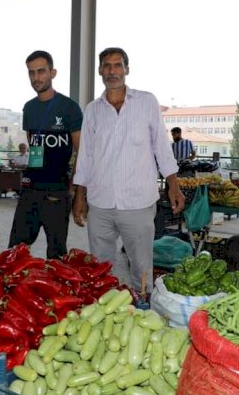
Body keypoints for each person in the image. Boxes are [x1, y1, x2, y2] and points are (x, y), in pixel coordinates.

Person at [73, 47, 185, 293]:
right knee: (100, 267)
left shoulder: (146, 102)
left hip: (138, 201)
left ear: (126, 69)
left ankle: (143, 309)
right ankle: (106, 313)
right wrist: (80, 196)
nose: (112, 71)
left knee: (141, 265)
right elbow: (86, 156)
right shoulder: (93, 110)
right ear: (100, 71)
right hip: (100, 202)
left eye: (117, 65)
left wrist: (173, 184)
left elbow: (161, 146)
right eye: (107, 66)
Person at [8, 50, 83, 259]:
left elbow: (81, 152)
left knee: (56, 255)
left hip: (57, 191)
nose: (36, 78)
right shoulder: (29, 108)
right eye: (31, 73)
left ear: (53, 72)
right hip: (30, 188)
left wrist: (73, 188)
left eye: (41, 71)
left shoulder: (69, 108)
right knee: (15, 250)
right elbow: (35, 147)